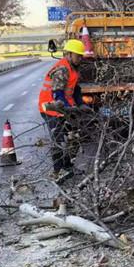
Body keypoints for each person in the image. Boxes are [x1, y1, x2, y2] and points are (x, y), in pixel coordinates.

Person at [38, 39, 87, 179]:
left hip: (63, 109)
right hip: (51, 109)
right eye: (78, 56)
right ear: (69, 54)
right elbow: (57, 93)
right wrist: (68, 109)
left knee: (72, 137)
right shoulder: (62, 69)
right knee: (58, 139)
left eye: (81, 55)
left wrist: (80, 103)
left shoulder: (74, 69)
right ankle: (57, 171)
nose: (80, 58)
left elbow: (75, 88)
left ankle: (68, 166)